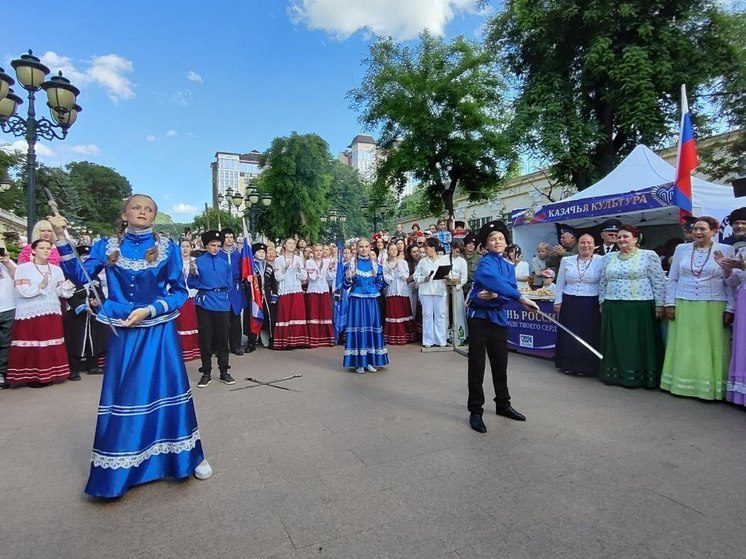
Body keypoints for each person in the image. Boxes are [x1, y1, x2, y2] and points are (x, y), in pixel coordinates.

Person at [50, 194, 212, 498]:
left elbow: (179, 292)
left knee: (169, 388)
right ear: (125, 213)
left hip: (158, 329)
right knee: (126, 393)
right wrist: (61, 237)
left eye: (149, 209)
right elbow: (78, 275)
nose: (143, 212)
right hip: (123, 329)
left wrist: (151, 309)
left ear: (154, 217)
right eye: (137, 207)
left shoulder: (168, 248)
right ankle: (122, 467)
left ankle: (188, 458)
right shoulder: (106, 245)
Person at [466, 220, 540, 433]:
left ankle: (503, 404)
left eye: (500, 238)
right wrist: (518, 296)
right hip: (479, 320)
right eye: (492, 239)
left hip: (499, 320)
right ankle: (476, 410)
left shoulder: (508, 267)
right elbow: (490, 281)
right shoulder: (484, 263)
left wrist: (498, 295)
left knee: (501, 364)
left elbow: (505, 292)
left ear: (506, 242)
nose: (497, 242)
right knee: (477, 366)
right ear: (486, 244)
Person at [662, 217, 734, 400]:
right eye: (695, 229)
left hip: (713, 304)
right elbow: (673, 278)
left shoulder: (725, 250)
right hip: (684, 302)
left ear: (714, 231)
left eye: (703, 229)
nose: (698, 233)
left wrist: (730, 308)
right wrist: (669, 303)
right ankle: (680, 385)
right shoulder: (682, 249)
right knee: (684, 344)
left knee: (708, 345)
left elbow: (730, 283)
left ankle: (708, 388)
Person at [598, 224, 666, 388]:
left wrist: (660, 304)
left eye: (625, 236)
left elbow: (658, 281)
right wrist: (602, 301)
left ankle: (641, 378)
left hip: (640, 305)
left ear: (635, 239)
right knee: (617, 343)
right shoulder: (608, 258)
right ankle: (615, 375)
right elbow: (603, 281)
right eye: (619, 237)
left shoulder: (648, 256)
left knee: (638, 343)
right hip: (613, 305)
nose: (621, 239)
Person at [7, 239, 75, 387]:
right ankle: (32, 376)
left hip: (51, 310)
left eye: (48, 248)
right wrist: (40, 286)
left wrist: (67, 287)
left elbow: (58, 291)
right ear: (33, 250)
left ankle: (50, 374)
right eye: (42, 248)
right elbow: (21, 291)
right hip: (30, 311)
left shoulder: (56, 269)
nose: (46, 251)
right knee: (33, 343)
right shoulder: (24, 268)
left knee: (51, 342)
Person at [189, 231, 235, 387]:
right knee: (205, 339)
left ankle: (224, 371)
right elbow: (190, 283)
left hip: (222, 303)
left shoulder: (225, 264)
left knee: (223, 338)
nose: (215, 248)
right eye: (212, 245)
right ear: (206, 245)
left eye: (218, 246)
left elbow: (229, 285)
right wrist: (197, 279)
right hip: (205, 303)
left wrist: (218, 291)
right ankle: (206, 372)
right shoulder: (198, 262)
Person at [554, 233, 604, 376]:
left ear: (595, 245)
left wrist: (602, 302)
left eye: (589, 242)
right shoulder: (567, 260)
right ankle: (568, 364)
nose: (585, 245)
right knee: (570, 334)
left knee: (588, 333)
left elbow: (603, 283)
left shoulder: (601, 260)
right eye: (582, 242)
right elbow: (560, 282)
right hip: (570, 301)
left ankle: (586, 367)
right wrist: (558, 301)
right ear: (578, 244)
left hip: (591, 302)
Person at [63, 245, 109, 380]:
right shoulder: (70, 275)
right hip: (76, 314)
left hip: (93, 314)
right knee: (75, 340)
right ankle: (74, 369)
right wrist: (82, 305)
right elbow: (69, 294)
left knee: (94, 339)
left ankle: (92, 365)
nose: (86, 261)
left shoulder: (95, 277)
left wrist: (97, 301)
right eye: (83, 258)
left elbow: (101, 294)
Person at [343, 238, 388, 373]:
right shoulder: (350, 265)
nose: (364, 249)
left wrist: (374, 288)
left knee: (371, 328)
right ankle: (359, 363)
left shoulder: (376, 265)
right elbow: (345, 286)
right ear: (356, 248)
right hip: (357, 300)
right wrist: (349, 278)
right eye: (361, 247)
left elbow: (382, 282)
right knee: (359, 328)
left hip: (371, 300)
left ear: (370, 248)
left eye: (366, 246)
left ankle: (370, 361)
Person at [716, 243, 746, 406]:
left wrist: (744, 266)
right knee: (742, 344)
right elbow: (734, 281)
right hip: (743, 298)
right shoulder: (743, 250)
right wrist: (726, 269)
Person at [273, 238, 310, 349]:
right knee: (285, 314)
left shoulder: (299, 258)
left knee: (297, 314)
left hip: (297, 289)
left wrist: (299, 270)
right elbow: (278, 277)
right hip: (284, 290)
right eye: (289, 243)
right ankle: (285, 341)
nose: (291, 245)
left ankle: (299, 340)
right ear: (284, 245)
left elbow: (304, 277)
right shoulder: (278, 260)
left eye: (294, 243)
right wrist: (285, 269)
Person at [414, 238, 449, 348]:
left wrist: (448, 277)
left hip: (440, 290)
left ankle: (441, 340)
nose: (425, 249)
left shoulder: (444, 260)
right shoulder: (423, 261)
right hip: (426, 291)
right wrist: (423, 278)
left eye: (427, 247)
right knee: (427, 315)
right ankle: (428, 341)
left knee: (440, 315)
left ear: (433, 248)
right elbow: (415, 275)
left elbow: (450, 273)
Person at [219, 228, 247, 356]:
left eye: (231, 236)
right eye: (227, 236)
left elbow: (244, 271)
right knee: (222, 319)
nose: (229, 239)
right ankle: (221, 347)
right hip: (222, 289)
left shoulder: (238, 255)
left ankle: (235, 346)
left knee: (235, 317)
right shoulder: (218, 254)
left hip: (235, 288)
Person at [245, 243, 277, 351]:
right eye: (259, 252)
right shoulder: (250, 267)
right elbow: (245, 282)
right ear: (254, 254)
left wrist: (274, 295)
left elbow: (273, 282)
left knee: (269, 317)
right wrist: (247, 280)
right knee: (254, 318)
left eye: (263, 252)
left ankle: (271, 339)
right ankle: (252, 342)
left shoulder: (268, 266)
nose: (262, 254)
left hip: (267, 296)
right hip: (255, 296)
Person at [382, 242, 415, 345]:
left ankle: (405, 336)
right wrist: (392, 271)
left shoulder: (403, 262)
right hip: (392, 291)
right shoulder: (385, 263)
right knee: (393, 313)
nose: (393, 251)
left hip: (402, 291)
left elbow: (405, 276)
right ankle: (393, 337)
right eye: (391, 249)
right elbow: (386, 278)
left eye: (395, 249)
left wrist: (398, 267)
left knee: (403, 312)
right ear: (388, 251)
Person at [305, 244, 336, 348]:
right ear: (313, 252)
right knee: (313, 313)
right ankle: (314, 338)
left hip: (324, 289)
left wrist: (330, 269)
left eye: (320, 250)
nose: (318, 253)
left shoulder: (328, 262)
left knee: (325, 312)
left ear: (323, 252)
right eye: (316, 250)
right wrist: (320, 268)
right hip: (313, 290)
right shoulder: (309, 262)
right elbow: (313, 277)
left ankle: (326, 338)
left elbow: (329, 278)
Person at [175, 238, 200, 363]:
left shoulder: (195, 262)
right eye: (182, 246)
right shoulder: (175, 263)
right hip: (180, 297)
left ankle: (195, 349)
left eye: (187, 246)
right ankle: (184, 350)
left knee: (194, 322)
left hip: (193, 297)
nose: (185, 249)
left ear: (191, 248)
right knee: (182, 323)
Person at [0, 246, 16, 390]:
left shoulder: (7, 264)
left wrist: (7, 262)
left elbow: (19, 277)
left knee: (6, 344)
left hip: (8, 308)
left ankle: (3, 373)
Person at [449, 240, 469, 345]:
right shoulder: (445, 258)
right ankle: (448, 335)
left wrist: (457, 287)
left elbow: (464, 277)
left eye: (459, 252)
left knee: (458, 312)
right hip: (446, 288)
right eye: (456, 251)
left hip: (456, 289)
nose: (458, 253)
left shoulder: (462, 261)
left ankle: (459, 336)